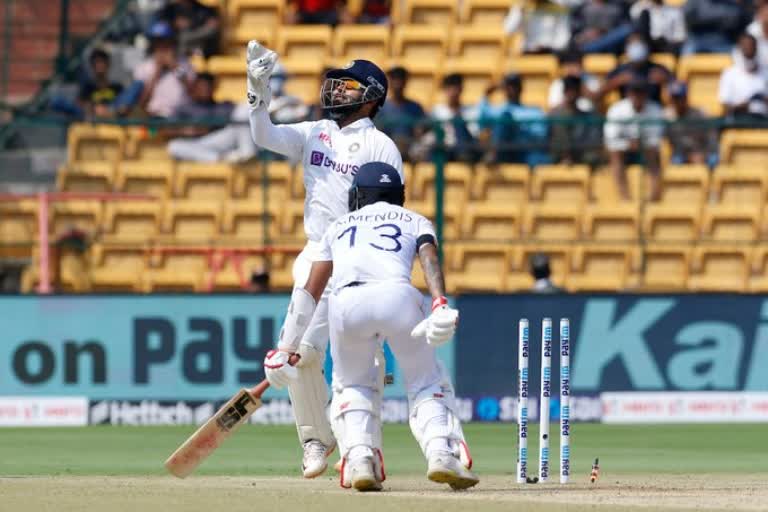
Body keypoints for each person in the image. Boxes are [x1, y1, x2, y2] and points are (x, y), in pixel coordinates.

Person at [263, 161, 477, 492]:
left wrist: (286, 346)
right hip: (398, 296)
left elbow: (311, 289)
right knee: (425, 381)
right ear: (398, 194)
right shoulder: (415, 219)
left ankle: (361, 458)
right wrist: (438, 303)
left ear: (357, 195)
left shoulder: (338, 225)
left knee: (352, 385)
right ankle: (441, 453)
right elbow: (429, 258)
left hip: (347, 304)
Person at [246, 41, 403, 479]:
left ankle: (365, 451)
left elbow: (390, 210)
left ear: (371, 98)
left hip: (361, 263)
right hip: (315, 253)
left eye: (349, 87)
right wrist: (257, 90)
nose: (337, 91)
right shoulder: (315, 131)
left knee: (363, 361)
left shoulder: (382, 146)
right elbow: (264, 135)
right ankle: (316, 440)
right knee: (297, 353)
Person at [604, 78, 665, 201]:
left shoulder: (656, 110)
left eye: (640, 92)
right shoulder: (617, 110)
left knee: (654, 153)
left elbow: (657, 138)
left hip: (647, 149)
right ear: (628, 93)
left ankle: (653, 197)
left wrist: (641, 143)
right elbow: (610, 139)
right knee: (615, 154)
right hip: (623, 150)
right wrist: (628, 144)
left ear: (646, 94)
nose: (637, 96)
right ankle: (625, 198)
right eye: (634, 92)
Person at [478, 73, 549, 165]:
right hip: (503, 152)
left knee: (541, 160)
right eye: (508, 86)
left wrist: (520, 129)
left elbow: (540, 134)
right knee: (505, 116)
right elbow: (481, 119)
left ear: (520, 88)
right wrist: (487, 93)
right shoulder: (496, 110)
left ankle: (494, 154)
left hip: (524, 151)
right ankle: (494, 154)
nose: (511, 89)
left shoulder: (534, 111)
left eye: (515, 86)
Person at [601, 32, 672, 105]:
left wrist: (666, 81)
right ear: (627, 48)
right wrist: (617, 81)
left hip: (652, 109)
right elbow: (598, 93)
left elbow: (678, 89)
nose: (637, 48)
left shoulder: (658, 69)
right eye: (633, 44)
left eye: (639, 44)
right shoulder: (620, 70)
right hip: (627, 109)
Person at [549, 75, 603, 166]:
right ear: (564, 91)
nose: (571, 93)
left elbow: (593, 141)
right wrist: (564, 156)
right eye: (568, 89)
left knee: (593, 158)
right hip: (558, 157)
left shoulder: (588, 116)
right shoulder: (554, 114)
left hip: (582, 156)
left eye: (574, 90)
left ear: (579, 92)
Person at [375, 66, 426, 161]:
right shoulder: (381, 108)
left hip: (410, 151)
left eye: (400, 79)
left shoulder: (415, 108)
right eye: (394, 79)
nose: (397, 83)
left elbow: (421, 131)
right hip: (387, 150)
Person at [665, 81, 719, 167]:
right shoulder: (667, 118)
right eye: (674, 98)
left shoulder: (699, 114)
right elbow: (672, 145)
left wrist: (703, 155)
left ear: (685, 98)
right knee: (676, 162)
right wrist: (689, 157)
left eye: (680, 98)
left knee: (714, 160)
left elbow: (711, 138)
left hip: (703, 152)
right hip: (682, 155)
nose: (677, 102)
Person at [719, 32, 768, 119]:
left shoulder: (766, 73)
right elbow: (724, 108)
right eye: (745, 47)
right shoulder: (729, 74)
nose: (749, 49)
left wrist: (763, 100)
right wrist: (742, 106)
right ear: (739, 48)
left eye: (752, 46)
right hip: (739, 124)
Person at [78, 49, 124, 118]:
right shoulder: (87, 87)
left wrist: (109, 111)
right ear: (92, 66)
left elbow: (123, 108)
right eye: (96, 63)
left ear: (108, 64)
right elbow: (82, 105)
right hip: (93, 120)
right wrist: (94, 109)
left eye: (102, 62)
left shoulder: (117, 87)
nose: (99, 65)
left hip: (113, 119)